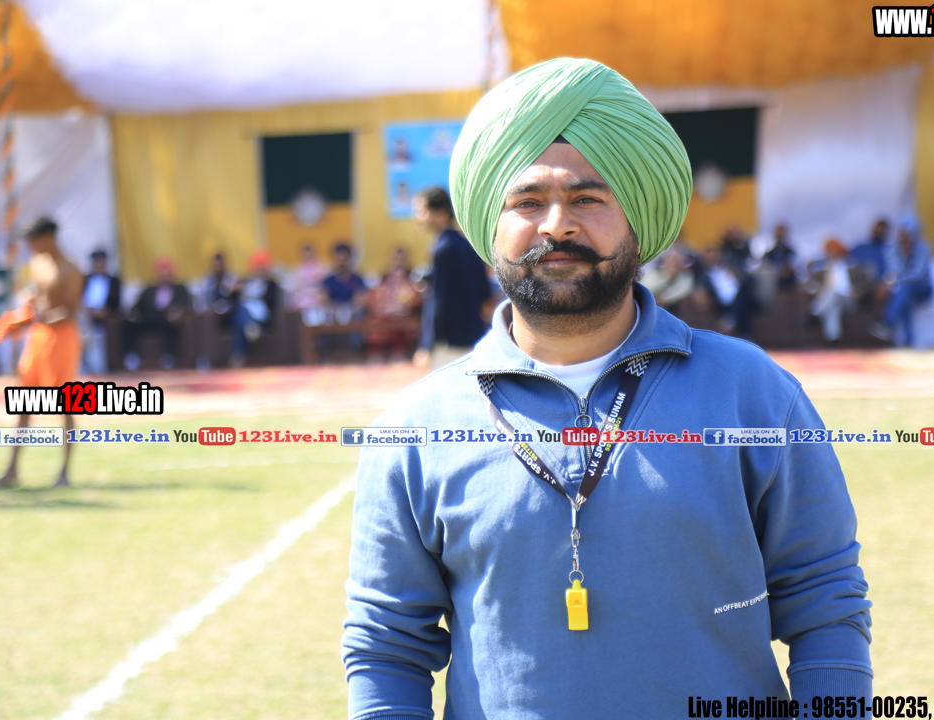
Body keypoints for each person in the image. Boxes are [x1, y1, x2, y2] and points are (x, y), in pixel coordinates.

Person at [342, 58, 872, 718]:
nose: (556, 225)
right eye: (527, 202)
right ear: (489, 225)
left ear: (636, 219)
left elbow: (824, 602)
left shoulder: (752, 392)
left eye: (588, 199)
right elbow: (387, 647)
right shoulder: (416, 426)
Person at [0, 217, 83, 489]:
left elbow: (70, 312)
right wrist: (23, 313)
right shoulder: (37, 264)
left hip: (62, 337)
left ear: (49, 237)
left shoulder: (70, 269)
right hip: (39, 337)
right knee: (24, 402)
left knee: (65, 404)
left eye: (34, 240)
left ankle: (64, 472)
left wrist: (37, 319)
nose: (31, 246)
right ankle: (12, 470)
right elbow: (35, 297)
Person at [411, 187, 491, 368]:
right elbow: (483, 291)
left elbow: (439, 300)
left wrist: (427, 344)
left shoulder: (442, 247)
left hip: (448, 341)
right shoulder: (467, 243)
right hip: (474, 335)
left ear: (441, 214)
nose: (417, 217)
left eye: (422, 211)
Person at [869, 218, 933, 346]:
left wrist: (897, 282)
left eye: (908, 235)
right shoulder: (892, 248)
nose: (905, 238)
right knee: (906, 294)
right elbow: (894, 270)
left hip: (923, 288)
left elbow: (918, 275)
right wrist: (903, 255)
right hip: (903, 288)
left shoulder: (923, 248)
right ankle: (908, 341)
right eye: (902, 235)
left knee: (905, 289)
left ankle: (888, 323)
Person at [122, 258, 191, 371]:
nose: (165, 278)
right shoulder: (149, 290)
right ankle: (131, 357)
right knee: (127, 324)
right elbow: (137, 306)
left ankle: (168, 357)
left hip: (166, 318)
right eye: (162, 275)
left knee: (166, 323)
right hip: (148, 318)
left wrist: (178, 312)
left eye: (167, 275)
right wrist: (133, 313)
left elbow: (185, 304)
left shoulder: (180, 289)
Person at [365, 248, 422, 362]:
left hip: (404, 315)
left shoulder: (413, 278)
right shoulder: (383, 279)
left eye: (401, 259)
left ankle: (399, 354)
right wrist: (385, 308)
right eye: (396, 259)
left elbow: (416, 297)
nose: (398, 262)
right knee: (375, 323)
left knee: (403, 323)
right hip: (384, 314)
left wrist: (404, 307)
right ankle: (376, 356)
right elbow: (374, 297)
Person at [228, 249, 282, 368]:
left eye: (262, 268)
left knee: (241, 324)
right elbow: (231, 299)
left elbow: (271, 301)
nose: (259, 271)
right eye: (257, 267)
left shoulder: (271, 284)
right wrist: (235, 290)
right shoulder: (245, 282)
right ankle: (250, 327)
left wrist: (254, 297)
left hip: (260, 317)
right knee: (241, 312)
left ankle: (237, 356)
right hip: (243, 313)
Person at [808, 237, 855, 344]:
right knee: (834, 306)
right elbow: (811, 285)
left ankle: (814, 314)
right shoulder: (821, 269)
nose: (832, 252)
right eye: (830, 250)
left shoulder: (852, 265)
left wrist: (858, 291)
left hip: (849, 300)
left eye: (835, 249)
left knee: (835, 293)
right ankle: (833, 340)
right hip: (832, 300)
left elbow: (866, 283)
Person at [81, 250, 120, 374]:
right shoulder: (84, 279)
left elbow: (116, 303)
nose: (99, 265)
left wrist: (105, 311)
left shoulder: (113, 281)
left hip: (104, 316)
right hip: (84, 314)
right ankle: (82, 366)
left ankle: (99, 366)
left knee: (98, 333)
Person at [763, 223, 798, 291]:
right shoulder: (768, 254)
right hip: (773, 286)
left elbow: (793, 268)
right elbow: (766, 268)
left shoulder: (791, 253)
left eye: (782, 236)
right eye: (778, 236)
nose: (780, 238)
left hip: (789, 285)